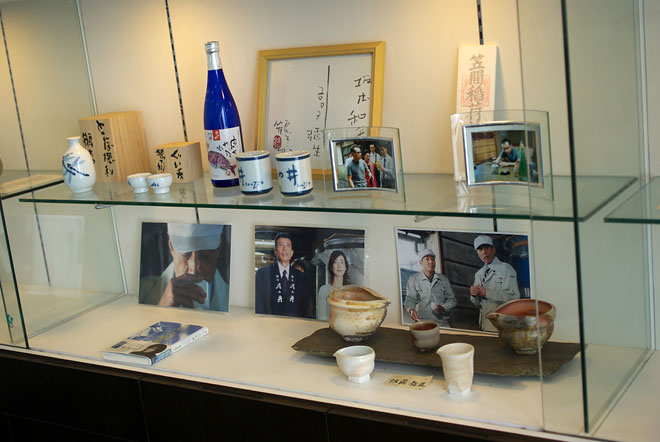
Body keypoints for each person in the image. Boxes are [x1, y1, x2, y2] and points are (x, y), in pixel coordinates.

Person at [139, 223, 229, 312]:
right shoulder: (141, 292)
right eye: (186, 254)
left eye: (205, 255)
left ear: (219, 246)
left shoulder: (232, 299)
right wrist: (161, 309)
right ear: (171, 246)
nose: (194, 270)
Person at [255, 232, 314, 318]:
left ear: (292, 252)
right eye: (281, 245)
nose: (285, 249)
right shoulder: (262, 274)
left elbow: (307, 308)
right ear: (275, 251)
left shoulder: (301, 277)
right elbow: (259, 305)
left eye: (288, 246)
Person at [469, 235, 520, 332]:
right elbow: (477, 305)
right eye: (480, 249)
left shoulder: (505, 268)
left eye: (486, 248)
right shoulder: (478, 274)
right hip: (484, 326)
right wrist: (474, 295)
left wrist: (486, 293)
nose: (484, 252)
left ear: (493, 250)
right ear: (477, 253)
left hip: (501, 326)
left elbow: (514, 299)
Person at [403, 249, 456, 327]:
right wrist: (411, 309)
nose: (431, 262)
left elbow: (452, 300)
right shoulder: (413, 279)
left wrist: (444, 308)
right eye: (427, 259)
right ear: (421, 263)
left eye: (433, 259)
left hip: (442, 323)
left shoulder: (443, 279)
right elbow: (410, 299)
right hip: (422, 323)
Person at [316, 250, 350, 320]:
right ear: (331, 267)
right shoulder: (324, 290)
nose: (339, 266)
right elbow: (321, 317)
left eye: (341, 262)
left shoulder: (350, 291)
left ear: (345, 267)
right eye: (335, 262)